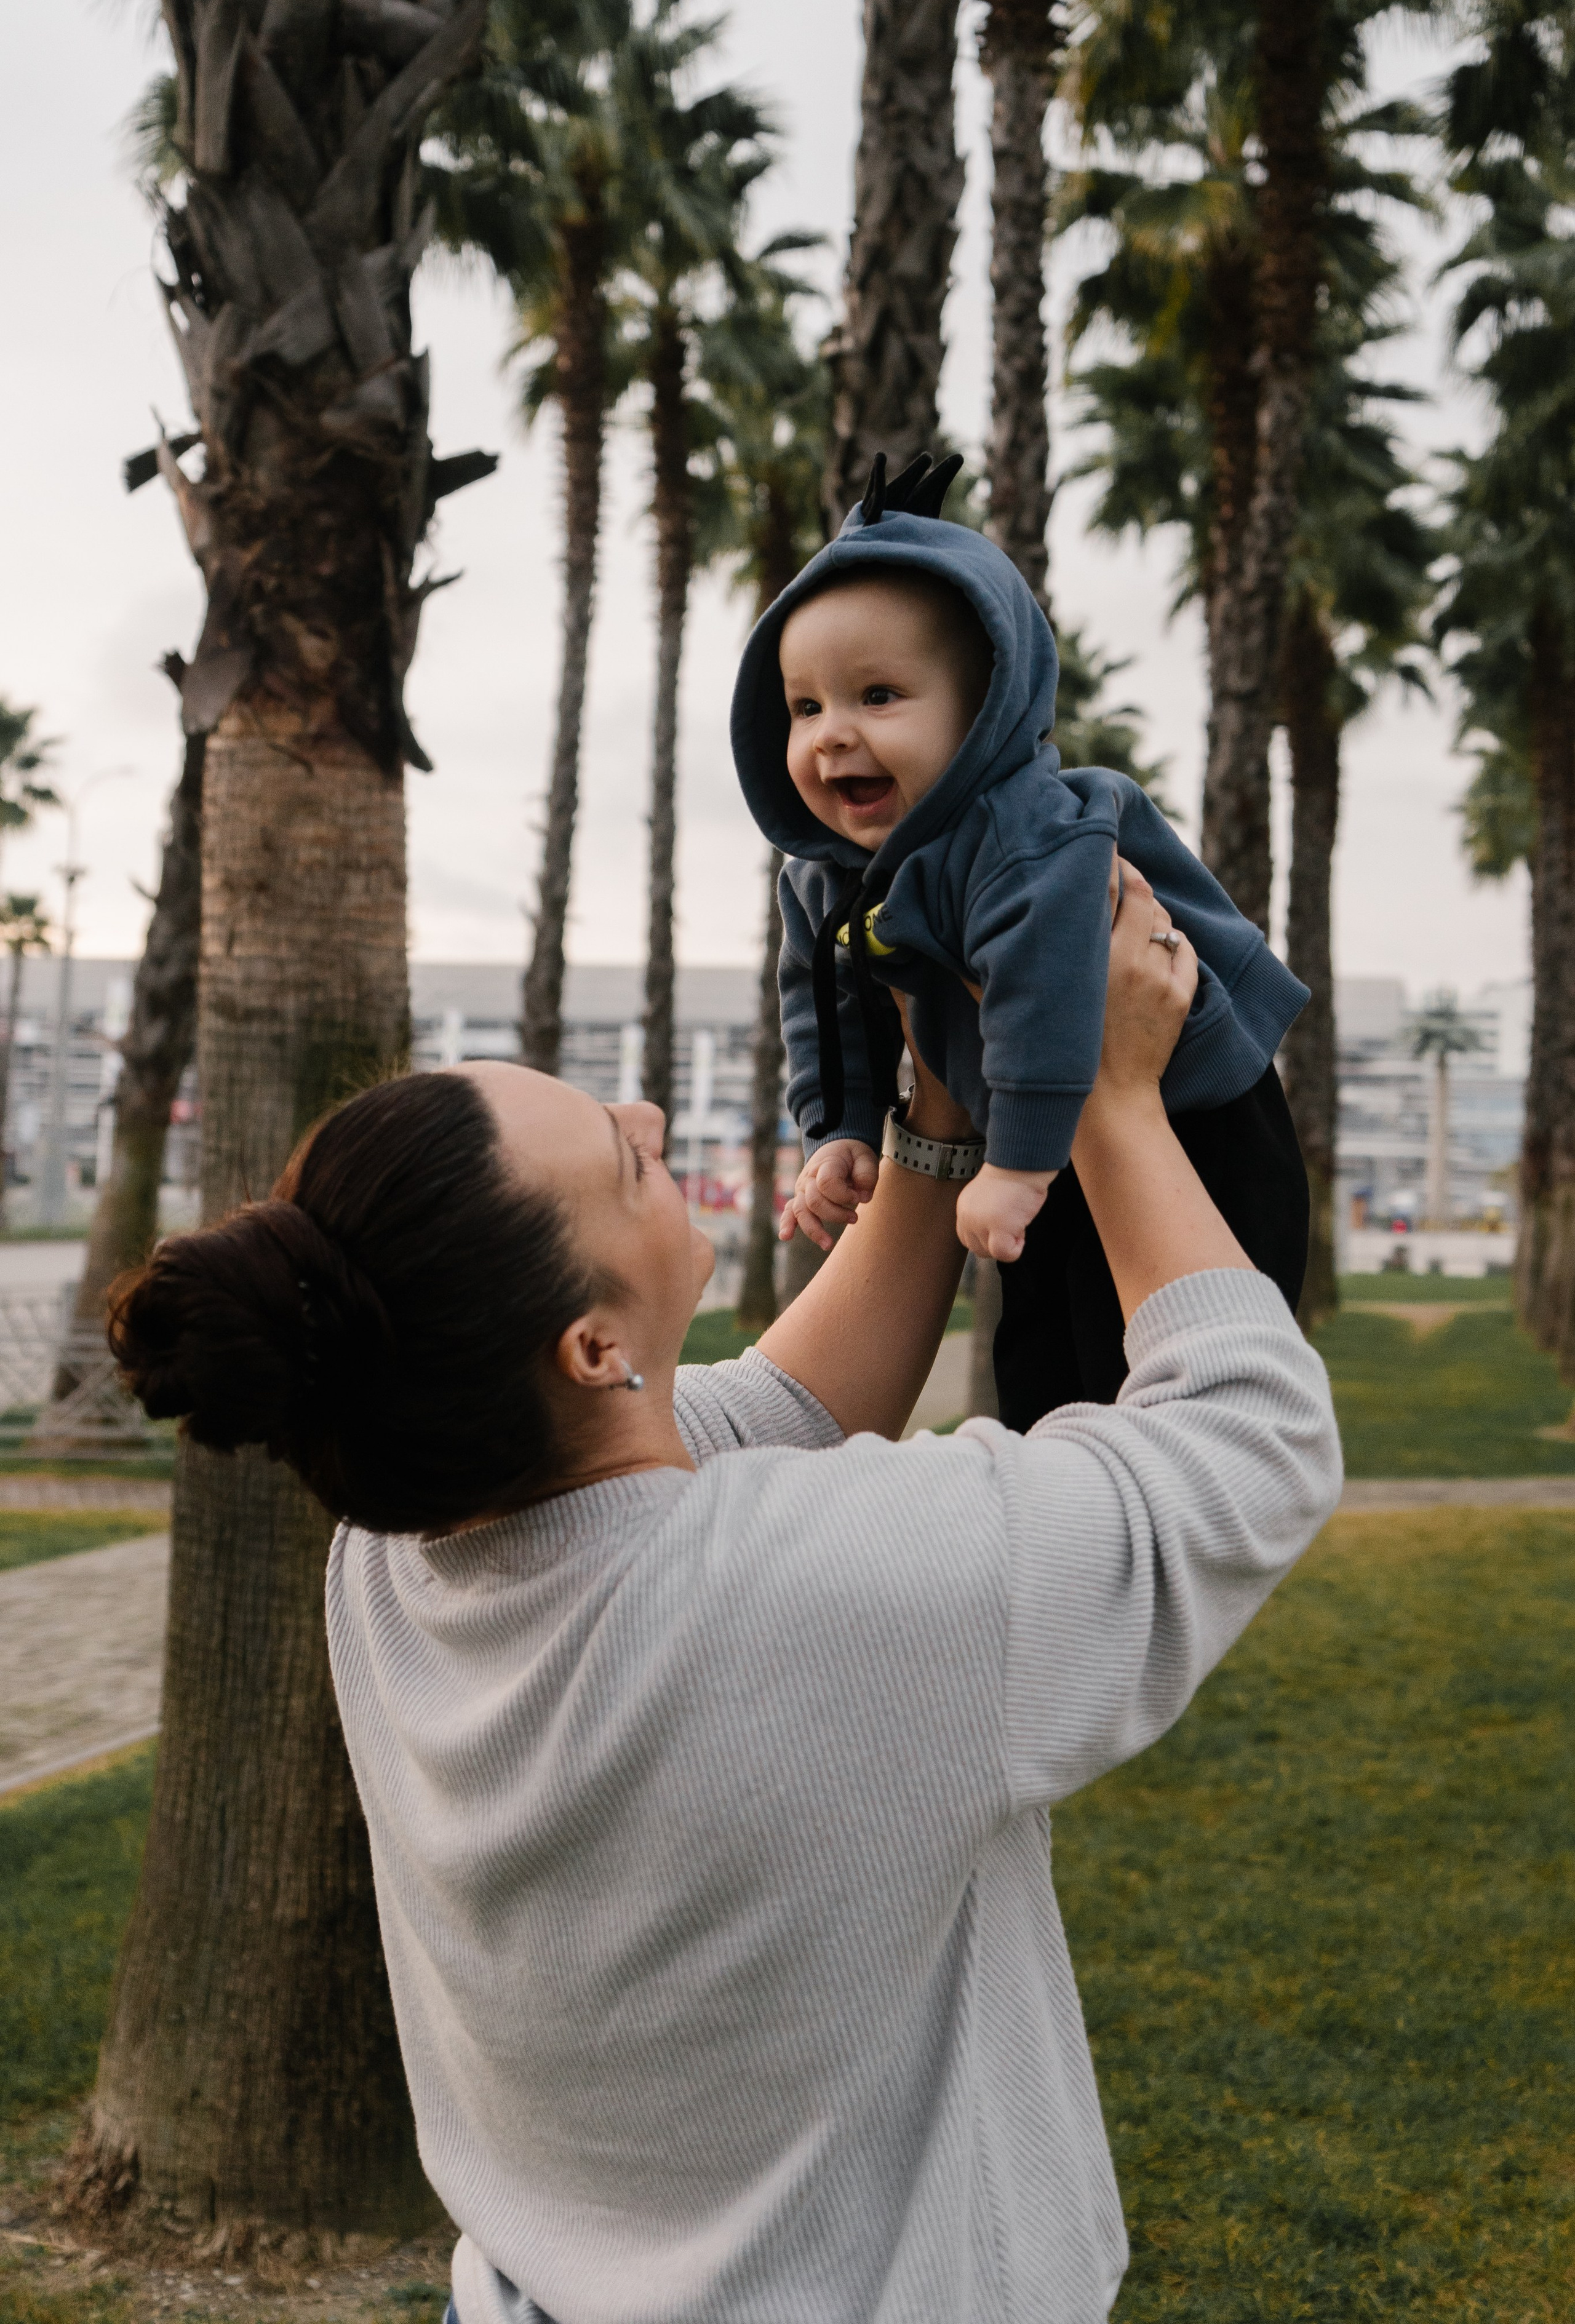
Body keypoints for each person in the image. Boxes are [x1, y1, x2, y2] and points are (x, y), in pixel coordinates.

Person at [106, 869, 1342, 2324]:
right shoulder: (831, 1594)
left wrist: (938, 1122)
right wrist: (1110, 1099)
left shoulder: (397, 1552)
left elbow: (781, 1404)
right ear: (587, 1348)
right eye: (622, 1162)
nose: (648, 1122)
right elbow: (1248, 1442)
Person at [730, 449, 1310, 1430]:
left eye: (879, 697)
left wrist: (1019, 1169)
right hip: (1031, 1142)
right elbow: (821, 1004)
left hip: (1189, 1124)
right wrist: (838, 1129)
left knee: (1182, 1387)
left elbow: (1046, 991)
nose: (831, 735)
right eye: (804, 706)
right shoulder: (827, 878)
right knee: (1049, 1384)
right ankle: (1067, 1543)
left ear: (986, 712)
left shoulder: (1029, 834)